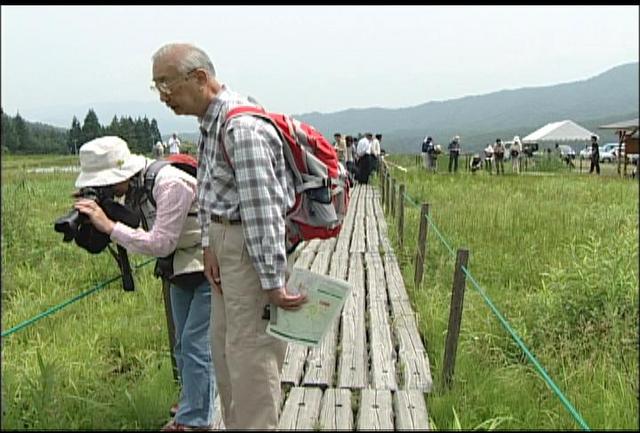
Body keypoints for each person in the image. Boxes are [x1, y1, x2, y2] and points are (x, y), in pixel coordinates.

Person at [150, 42, 307, 430]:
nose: (164, 97)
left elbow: (263, 210)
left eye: (167, 84)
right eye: (157, 87)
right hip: (227, 245)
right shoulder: (211, 121)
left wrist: (272, 281)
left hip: (248, 250)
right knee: (226, 353)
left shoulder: (241, 127)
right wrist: (208, 245)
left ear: (200, 78)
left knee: (251, 357)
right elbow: (212, 191)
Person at [73, 136, 215, 431]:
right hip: (180, 269)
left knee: (195, 345)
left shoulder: (169, 184)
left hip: (210, 266)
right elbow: (140, 225)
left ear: (118, 175)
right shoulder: (136, 188)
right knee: (182, 345)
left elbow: (161, 243)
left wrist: (109, 225)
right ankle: (193, 402)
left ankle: (196, 421)